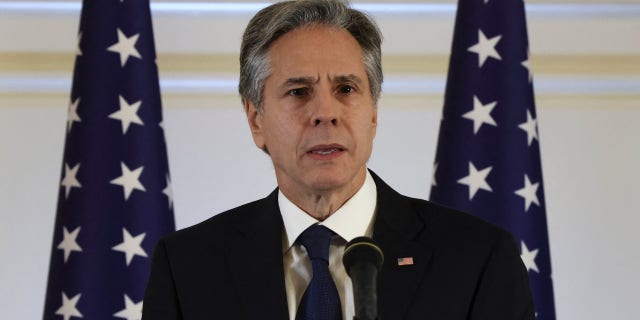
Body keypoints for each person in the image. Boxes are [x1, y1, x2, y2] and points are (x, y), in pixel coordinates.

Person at [142, 0, 535, 319]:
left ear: (373, 112)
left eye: (346, 88)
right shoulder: (188, 269)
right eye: (298, 92)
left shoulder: (478, 259)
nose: (325, 113)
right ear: (255, 118)